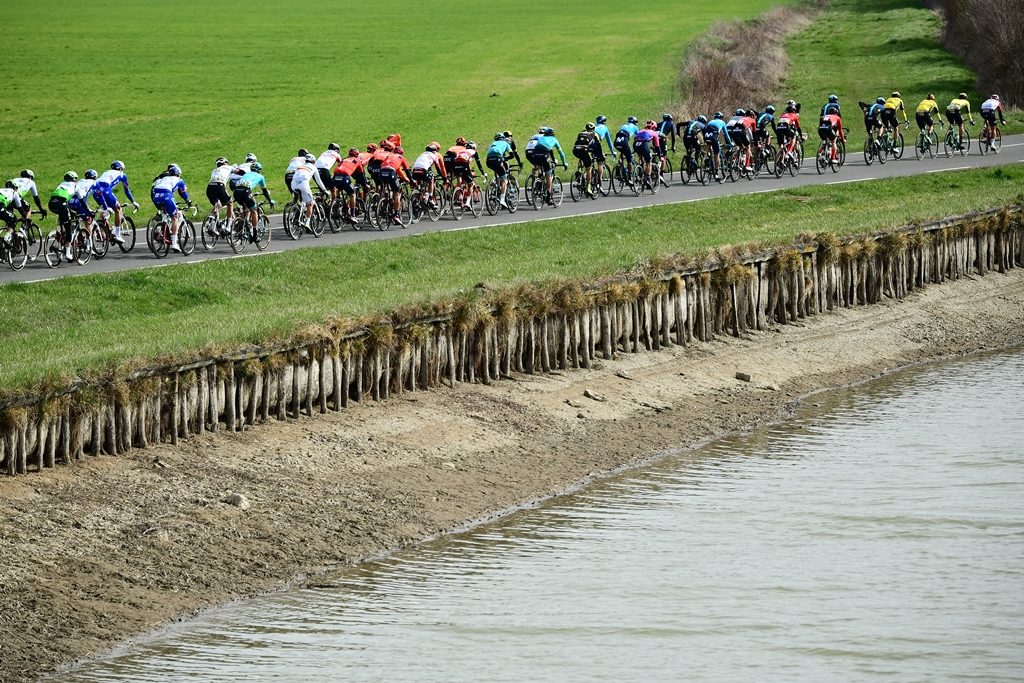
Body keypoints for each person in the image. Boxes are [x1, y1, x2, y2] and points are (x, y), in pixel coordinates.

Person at [92, 160, 139, 244]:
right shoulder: (122, 175)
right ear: (121, 168)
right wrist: (133, 201)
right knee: (118, 209)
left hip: (96, 192)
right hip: (106, 190)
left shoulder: (106, 172)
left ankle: (102, 231)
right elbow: (127, 190)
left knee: (106, 209)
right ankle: (117, 234)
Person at [151, 164, 191, 253]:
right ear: (178, 174)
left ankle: (162, 229)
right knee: (175, 216)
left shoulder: (164, 178)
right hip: (166, 195)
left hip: (155, 195)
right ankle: (174, 243)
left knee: (165, 214)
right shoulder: (179, 180)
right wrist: (188, 200)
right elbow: (183, 193)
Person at [525, 127, 567, 204]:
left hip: (532, 154)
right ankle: (548, 196)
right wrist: (563, 163)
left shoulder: (539, 138)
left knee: (536, 166)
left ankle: (535, 181)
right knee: (548, 175)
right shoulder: (553, 139)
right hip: (543, 155)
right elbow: (557, 152)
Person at [291, 153, 329, 230]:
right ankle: (307, 223)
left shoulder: (300, 166)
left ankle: (296, 216)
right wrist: (325, 190)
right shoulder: (314, 167)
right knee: (310, 203)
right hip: (303, 184)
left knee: (302, 201)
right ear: (313, 161)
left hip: (293, 184)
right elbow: (319, 181)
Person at [48, 172, 80, 261]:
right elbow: (81, 200)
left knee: (63, 219)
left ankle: (59, 235)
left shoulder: (61, 184)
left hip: (51, 204)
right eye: (76, 179)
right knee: (68, 228)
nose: (76, 180)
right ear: (73, 179)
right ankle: (68, 253)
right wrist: (87, 211)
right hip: (61, 204)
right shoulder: (75, 186)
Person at [232, 161, 273, 230]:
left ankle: (241, 223)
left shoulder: (246, 174)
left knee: (245, 207)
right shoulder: (260, 176)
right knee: (253, 210)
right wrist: (269, 200)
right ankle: (255, 232)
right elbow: (265, 191)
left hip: (236, 192)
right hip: (246, 191)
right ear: (258, 170)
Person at [333, 148, 369, 221]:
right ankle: (352, 215)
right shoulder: (358, 160)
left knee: (338, 189)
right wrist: (365, 185)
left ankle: (336, 206)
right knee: (352, 194)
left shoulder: (344, 159)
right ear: (357, 155)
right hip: (344, 176)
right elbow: (361, 175)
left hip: (336, 175)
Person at [380, 145, 412, 224]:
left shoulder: (389, 156)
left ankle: (384, 202)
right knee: (396, 192)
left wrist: (404, 178)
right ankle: (396, 215)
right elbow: (407, 171)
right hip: (391, 172)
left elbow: (398, 171)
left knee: (385, 187)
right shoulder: (401, 158)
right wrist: (411, 180)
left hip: (381, 171)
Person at [486, 133, 519, 207]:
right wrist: (505, 158)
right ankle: (502, 200)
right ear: (503, 138)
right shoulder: (505, 143)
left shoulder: (492, 143)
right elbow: (512, 155)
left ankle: (496, 186)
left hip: (488, 161)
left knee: (497, 173)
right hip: (498, 159)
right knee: (504, 180)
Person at [571, 123, 603, 197]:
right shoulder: (595, 134)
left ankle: (579, 172)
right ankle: (588, 187)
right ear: (593, 128)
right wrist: (600, 156)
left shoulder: (581, 133)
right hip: (585, 150)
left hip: (575, 150)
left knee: (581, 157)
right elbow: (598, 146)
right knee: (589, 168)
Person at [451, 141, 487, 208]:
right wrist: (483, 173)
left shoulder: (462, 151)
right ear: (473, 147)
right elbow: (479, 164)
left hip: (455, 165)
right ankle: (467, 202)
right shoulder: (474, 152)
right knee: (470, 184)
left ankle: (458, 197)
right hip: (464, 165)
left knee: (459, 182)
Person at [206, 157, 235, 232]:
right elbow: (239, 171)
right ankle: (228, 226)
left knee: (217, 204)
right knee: (230, 203)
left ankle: (213, 222)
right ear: (225, 163)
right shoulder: (228, 167)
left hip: (209, 188)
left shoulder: (214, 170)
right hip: (219, 186)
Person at [702, 112, 733, 179]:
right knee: (717, 155)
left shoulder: (710, 121)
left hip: (706, 137)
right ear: (721, 117)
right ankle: (716, 173)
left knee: (710, 147)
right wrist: (730, 143)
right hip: (713, 138)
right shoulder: (722, 122)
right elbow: (726, 135)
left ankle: (708, 160)